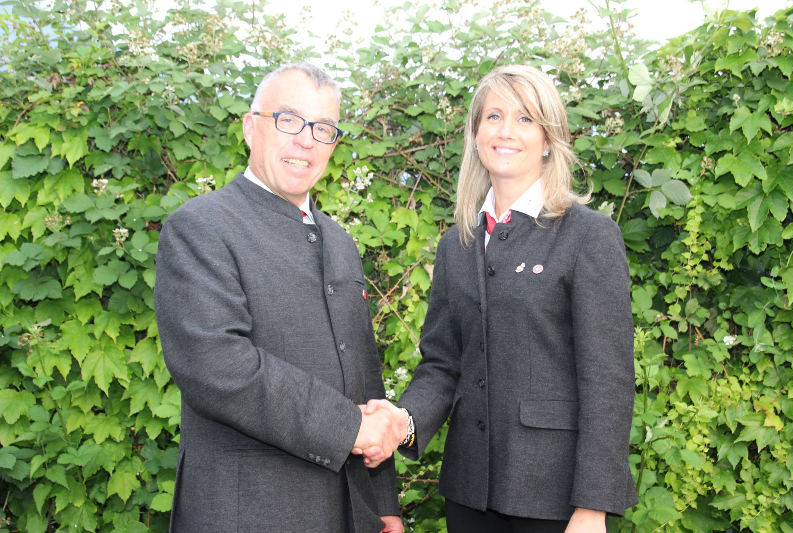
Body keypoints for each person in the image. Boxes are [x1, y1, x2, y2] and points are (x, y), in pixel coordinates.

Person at [362, 64, 638, 532]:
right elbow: (443, 365)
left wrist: (593, 505)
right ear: (475, 133)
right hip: (470, 492)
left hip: (554, 499)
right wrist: (401, 421)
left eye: (525, 118)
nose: (506, 131)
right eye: (493, 117)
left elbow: (607, 381)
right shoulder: (458, 243)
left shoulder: (587, 235)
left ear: (550, 138)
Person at [154, 62, 404, 533]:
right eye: (289, 120)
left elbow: (364, 373)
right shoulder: (200, 227)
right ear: (252, 127)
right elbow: (217, 365)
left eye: (324, 128)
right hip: (246, 511)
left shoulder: (340, 241)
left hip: (348, 511)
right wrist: (348, 427)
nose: (306, 140)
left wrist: (383, 502)